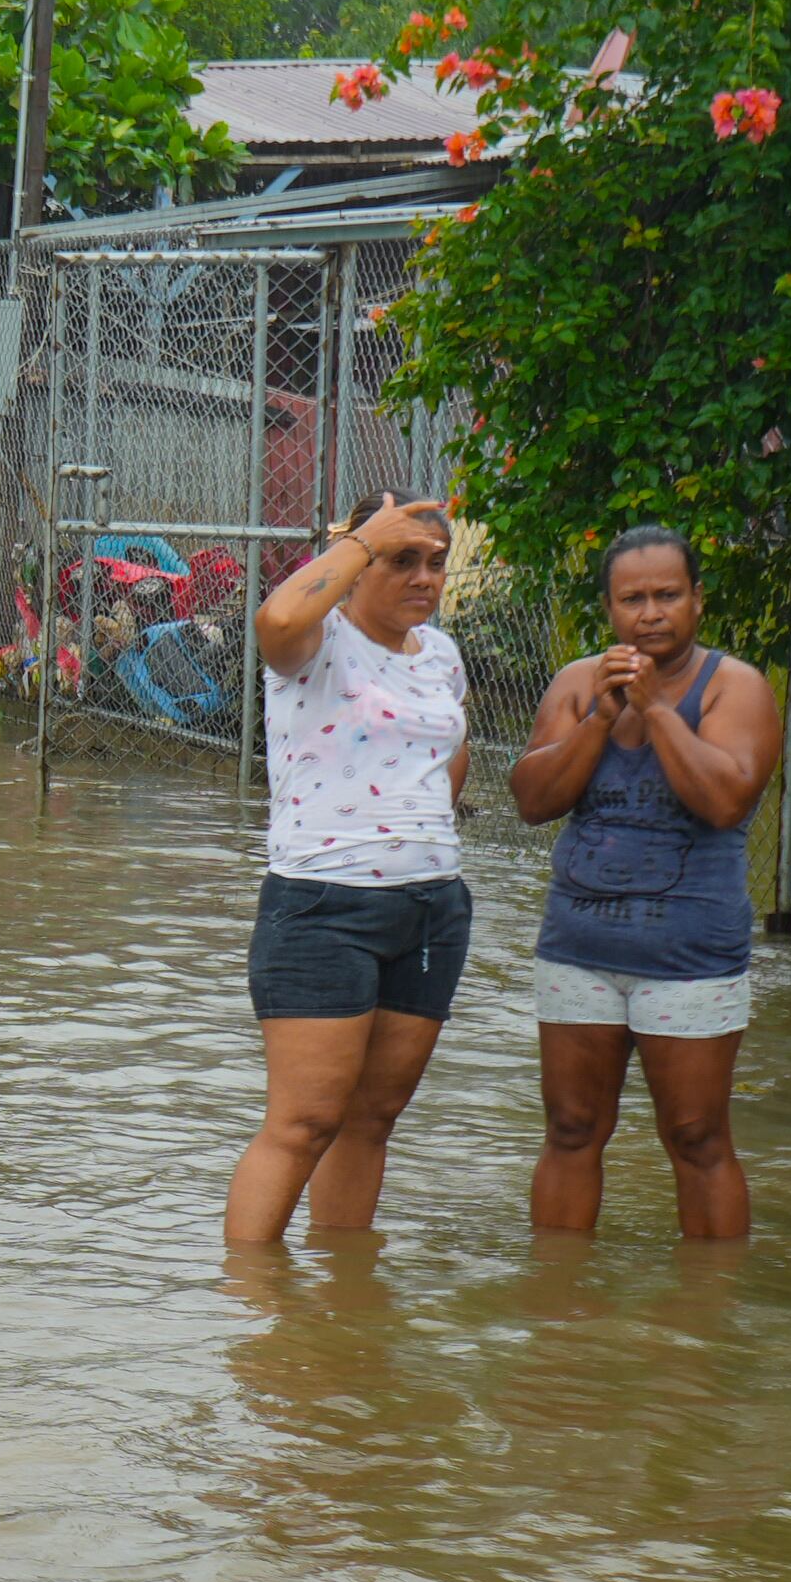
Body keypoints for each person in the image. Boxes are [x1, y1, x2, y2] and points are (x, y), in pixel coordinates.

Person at [510, 525, 784, 1238]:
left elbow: (726, 800)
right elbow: (533, 801)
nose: (651, 613)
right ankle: (557, 1307)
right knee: (571, 1128)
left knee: (697, 1137)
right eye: (633, 599)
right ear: (609, 608)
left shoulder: (736, 687)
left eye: (668, 595)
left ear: (698, 600)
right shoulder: (579, 684)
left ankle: (704, 1324)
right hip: (578, 950)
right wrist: (603, 716)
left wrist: (656, 706)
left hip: (690, 958)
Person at [227, 493, 474, 1244]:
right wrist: (365, 539)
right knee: (304, 1123)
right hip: (322, 906)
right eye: (404, 560)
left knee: (372, 1119)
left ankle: (340, 1301)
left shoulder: (440, 654)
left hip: (431, 908)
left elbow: (445, 767)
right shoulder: (317, 641)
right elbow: (273, 622)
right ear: (360, 560)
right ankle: (252, 1310)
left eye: (435, 562)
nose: (424, 578)